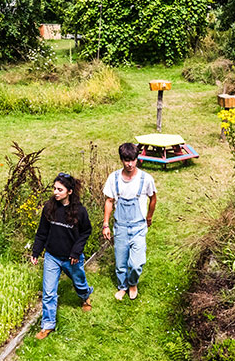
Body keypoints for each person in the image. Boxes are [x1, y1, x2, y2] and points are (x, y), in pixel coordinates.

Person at [30, 172, 93, 339]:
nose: (55, 192)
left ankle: (85, 296)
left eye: (60, 189)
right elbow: (42, 232)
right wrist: (36, 251)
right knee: (49, 291)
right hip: (52, 256)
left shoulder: (80, 211)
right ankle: (48, 325)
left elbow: (86, 232)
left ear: (69, 192)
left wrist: (76, 252)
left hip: (72, 257)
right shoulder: (49, 208)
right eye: (54, 188)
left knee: (79, 283)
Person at [102, 142, 157, 301]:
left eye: (132, 160)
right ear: (121, 160)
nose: (130, 164)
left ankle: (133, 283)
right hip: (120, 228)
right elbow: (109, 201)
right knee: (120, 264)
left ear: (137, 159)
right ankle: (122, 287)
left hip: (138, 227)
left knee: (136, 264)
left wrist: (149, 216)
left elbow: (153, 198)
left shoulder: (146, 179)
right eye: (126, 160)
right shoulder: (114, 178)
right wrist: (106, 224)